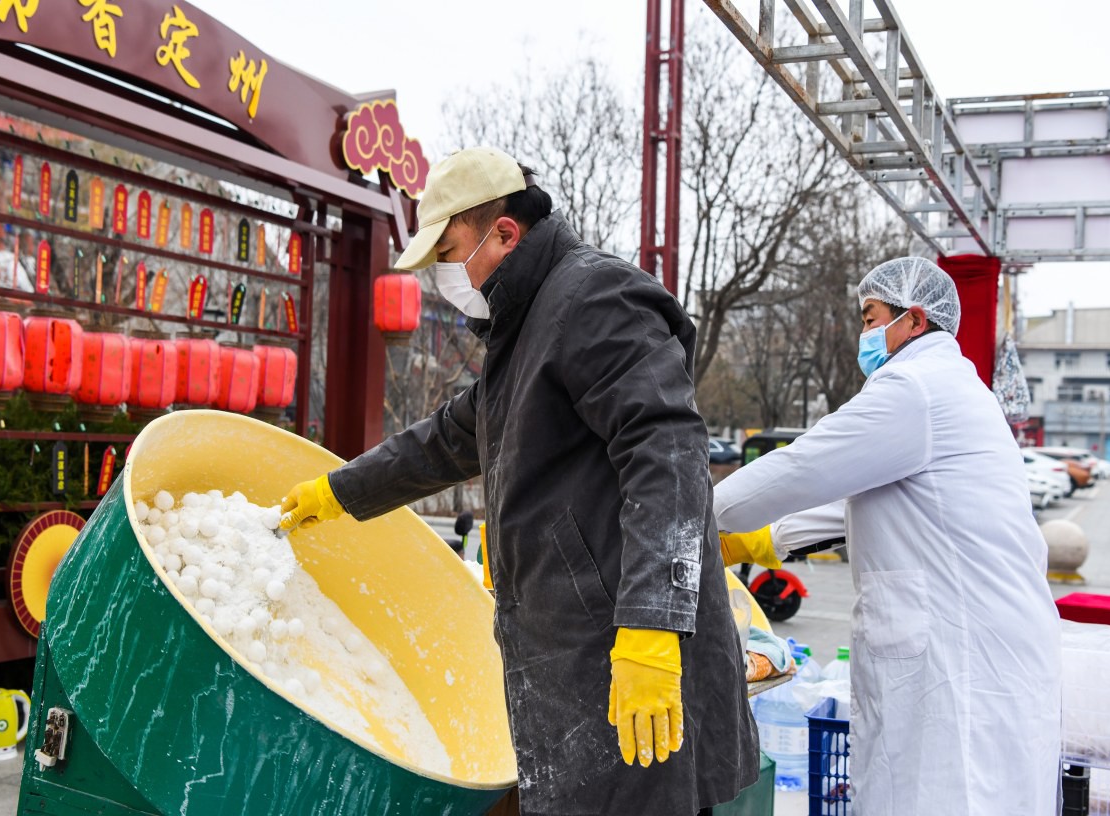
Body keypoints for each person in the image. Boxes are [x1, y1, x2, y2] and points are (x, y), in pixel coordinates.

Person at [279, 146, 758, 815]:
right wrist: (339, 491)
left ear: (504, 232)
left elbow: (669, 449)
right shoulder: (528, 328)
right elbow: (455, 435)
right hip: (574, 659)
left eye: (447, 251)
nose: (443, 275)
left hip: (626, 655)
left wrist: (652, 624)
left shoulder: (593, 298)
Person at [712, 257, 1062, 815]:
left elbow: (807, 465)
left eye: (871, 317)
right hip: (981, 646)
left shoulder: (915, 388)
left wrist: (700, 512)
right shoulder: (951, 392)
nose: (864, 333)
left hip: (960, 657)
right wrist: (756, 541)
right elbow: (853, 503)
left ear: (915, 320)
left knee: (951, 795)